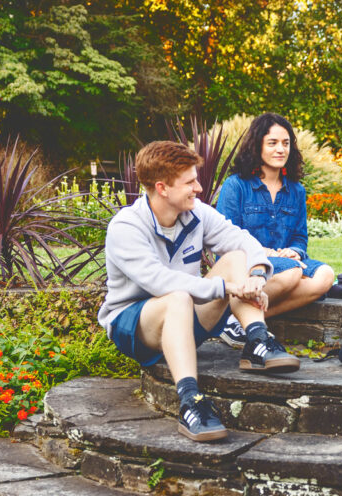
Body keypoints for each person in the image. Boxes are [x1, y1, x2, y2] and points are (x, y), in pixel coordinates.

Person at [98, 140, 300, 443]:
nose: (199, 188)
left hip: (187, 319)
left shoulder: (197, 214)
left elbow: (241, 240)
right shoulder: (126, 227)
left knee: (235, 259)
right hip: (138, 328)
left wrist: (256, 274)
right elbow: (160, 282)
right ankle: (191, 403)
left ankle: (257, 340)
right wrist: (227, 287)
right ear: (163, 187)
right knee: (176, 296)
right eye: (190, 182)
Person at [215, 113, 335, 347]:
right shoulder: (236, 185)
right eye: (272, 143)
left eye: (286, 143)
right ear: (256, 145)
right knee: (291, 272)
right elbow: (225, 240)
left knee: (325, 275)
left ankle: (237, 322)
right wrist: (267, 254)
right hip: (247, 266)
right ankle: (241, 317)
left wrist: (295, 252)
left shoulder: (296, 190)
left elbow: (300, 236)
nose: (281, 149)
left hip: (284, 262)